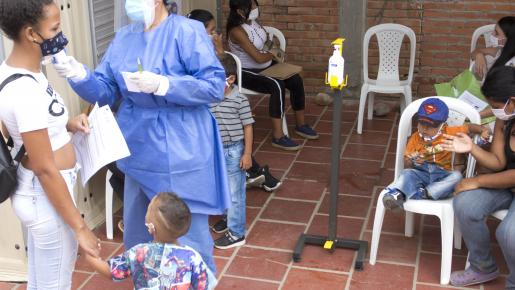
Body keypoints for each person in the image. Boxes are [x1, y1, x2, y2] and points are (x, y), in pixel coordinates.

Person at [53, 0, 230, 275]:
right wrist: (78, 74)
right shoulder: (125, 38)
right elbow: (106, 91)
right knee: (139, 230)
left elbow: (214, 85)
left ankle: (197, 280)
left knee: (185, 233)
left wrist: (166, 84)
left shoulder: (187, 31)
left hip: (182, 145)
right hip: (139, 146)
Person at [0, 0, 101, 288]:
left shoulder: (18, 72)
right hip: (44, 197)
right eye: (55, 28)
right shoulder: (25, 90)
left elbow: (17, 131)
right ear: (32, 34)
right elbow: (45, 168)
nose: (60, 35)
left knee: (42, 281)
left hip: (39, 194)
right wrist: (80, 228)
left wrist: (65, 125)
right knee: (54, 283)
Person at [187, 9, 282, 193]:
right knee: (231, 133)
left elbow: (226, 69)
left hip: (217, 105)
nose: (215, 34)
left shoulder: (208, 50)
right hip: (204, 111)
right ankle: (253, 173)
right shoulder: (191, 54)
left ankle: (253, 172)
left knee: (235, 129)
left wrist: (219, 48)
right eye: (212, 30)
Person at [442, 66, 515, 289]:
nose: (494, 112)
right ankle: (482, 267)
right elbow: (498, 162)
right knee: (465, 204)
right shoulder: (506, 117)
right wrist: (471, 147)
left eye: (495, 106)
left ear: (511, 101)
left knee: (508, 233)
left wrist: (475, 181)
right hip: (504, 183)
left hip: (509, 181)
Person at [227, 0, 318, 151]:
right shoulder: (236, 31)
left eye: (255, 5)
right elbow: (258, 57)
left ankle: (301, 125)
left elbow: (267, 43)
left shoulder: (254, 23)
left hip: (266, 66)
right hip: (246, 72)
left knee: (295, 79)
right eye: (252, 6)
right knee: (276, 85)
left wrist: (279, 55)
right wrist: (273, 54)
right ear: (240, 11)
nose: (256, 8)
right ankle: (278, 136)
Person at [85, 192, 213, 290]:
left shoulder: (140, 252)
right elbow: (202, 286)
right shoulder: (193, 257)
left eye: (148, 209)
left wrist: (90, 257)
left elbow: (111, 271)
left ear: (151, 227)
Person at [382, 98, 490, 211]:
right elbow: (406, 164)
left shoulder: (449, 132)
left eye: (430, 125)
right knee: (407, 173)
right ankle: (397, 195)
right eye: (422, 123)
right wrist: (412, 160)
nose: (424, 128)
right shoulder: (415, 138)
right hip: (421, 174)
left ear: (442, 125)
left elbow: (469, 127)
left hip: (442, 174)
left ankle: (426, 193)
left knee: (457, 177)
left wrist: (482, 130)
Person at [209, 54, 253, 249]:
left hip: (234, 150)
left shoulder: (240, 100)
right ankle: (228, 218)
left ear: (231, 79)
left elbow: (248, 127)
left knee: (236, 193)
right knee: (223, 188)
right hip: (215, 150)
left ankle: (237, 233)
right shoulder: (209, 98)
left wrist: (247, 154)